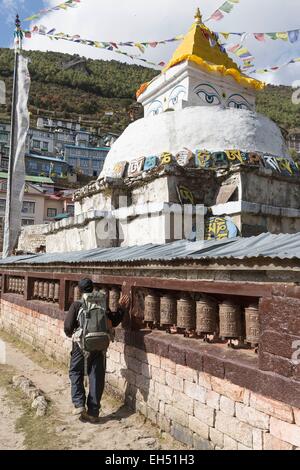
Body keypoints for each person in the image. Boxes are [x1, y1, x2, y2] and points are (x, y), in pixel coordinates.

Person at [64, 278, 130, 424]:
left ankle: (79, 404)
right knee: (96, 377)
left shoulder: (77, 305)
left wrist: (74, 334)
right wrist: (120, 308)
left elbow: (67, 328)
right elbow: (114, 321)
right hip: (100, 347)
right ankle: (93, 413)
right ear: (93, 289)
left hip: (81, 346)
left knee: (76, 371)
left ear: (80, 291)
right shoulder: (101, 304)